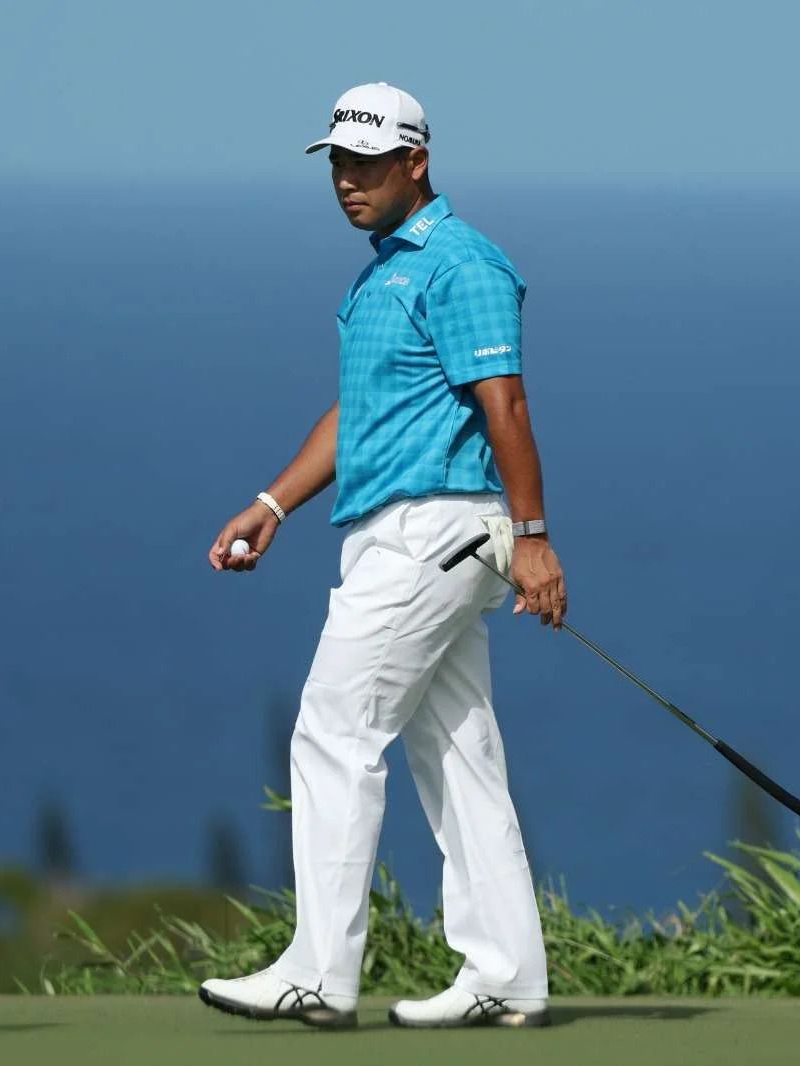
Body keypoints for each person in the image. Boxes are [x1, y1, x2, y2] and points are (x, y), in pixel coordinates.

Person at [198, 83, 565, 1030]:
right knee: (458, 751)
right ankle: (507, 973)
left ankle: (321, 971)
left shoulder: (461, 263)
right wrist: (272, 504)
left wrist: (533, 538)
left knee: (334, 729)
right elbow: (359, 412)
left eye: (366, 163)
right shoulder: (383, 275)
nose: (347, 181)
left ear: (416, 162)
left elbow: (506, 405)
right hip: (406, 537)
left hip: (432, 535)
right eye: (337, 163)